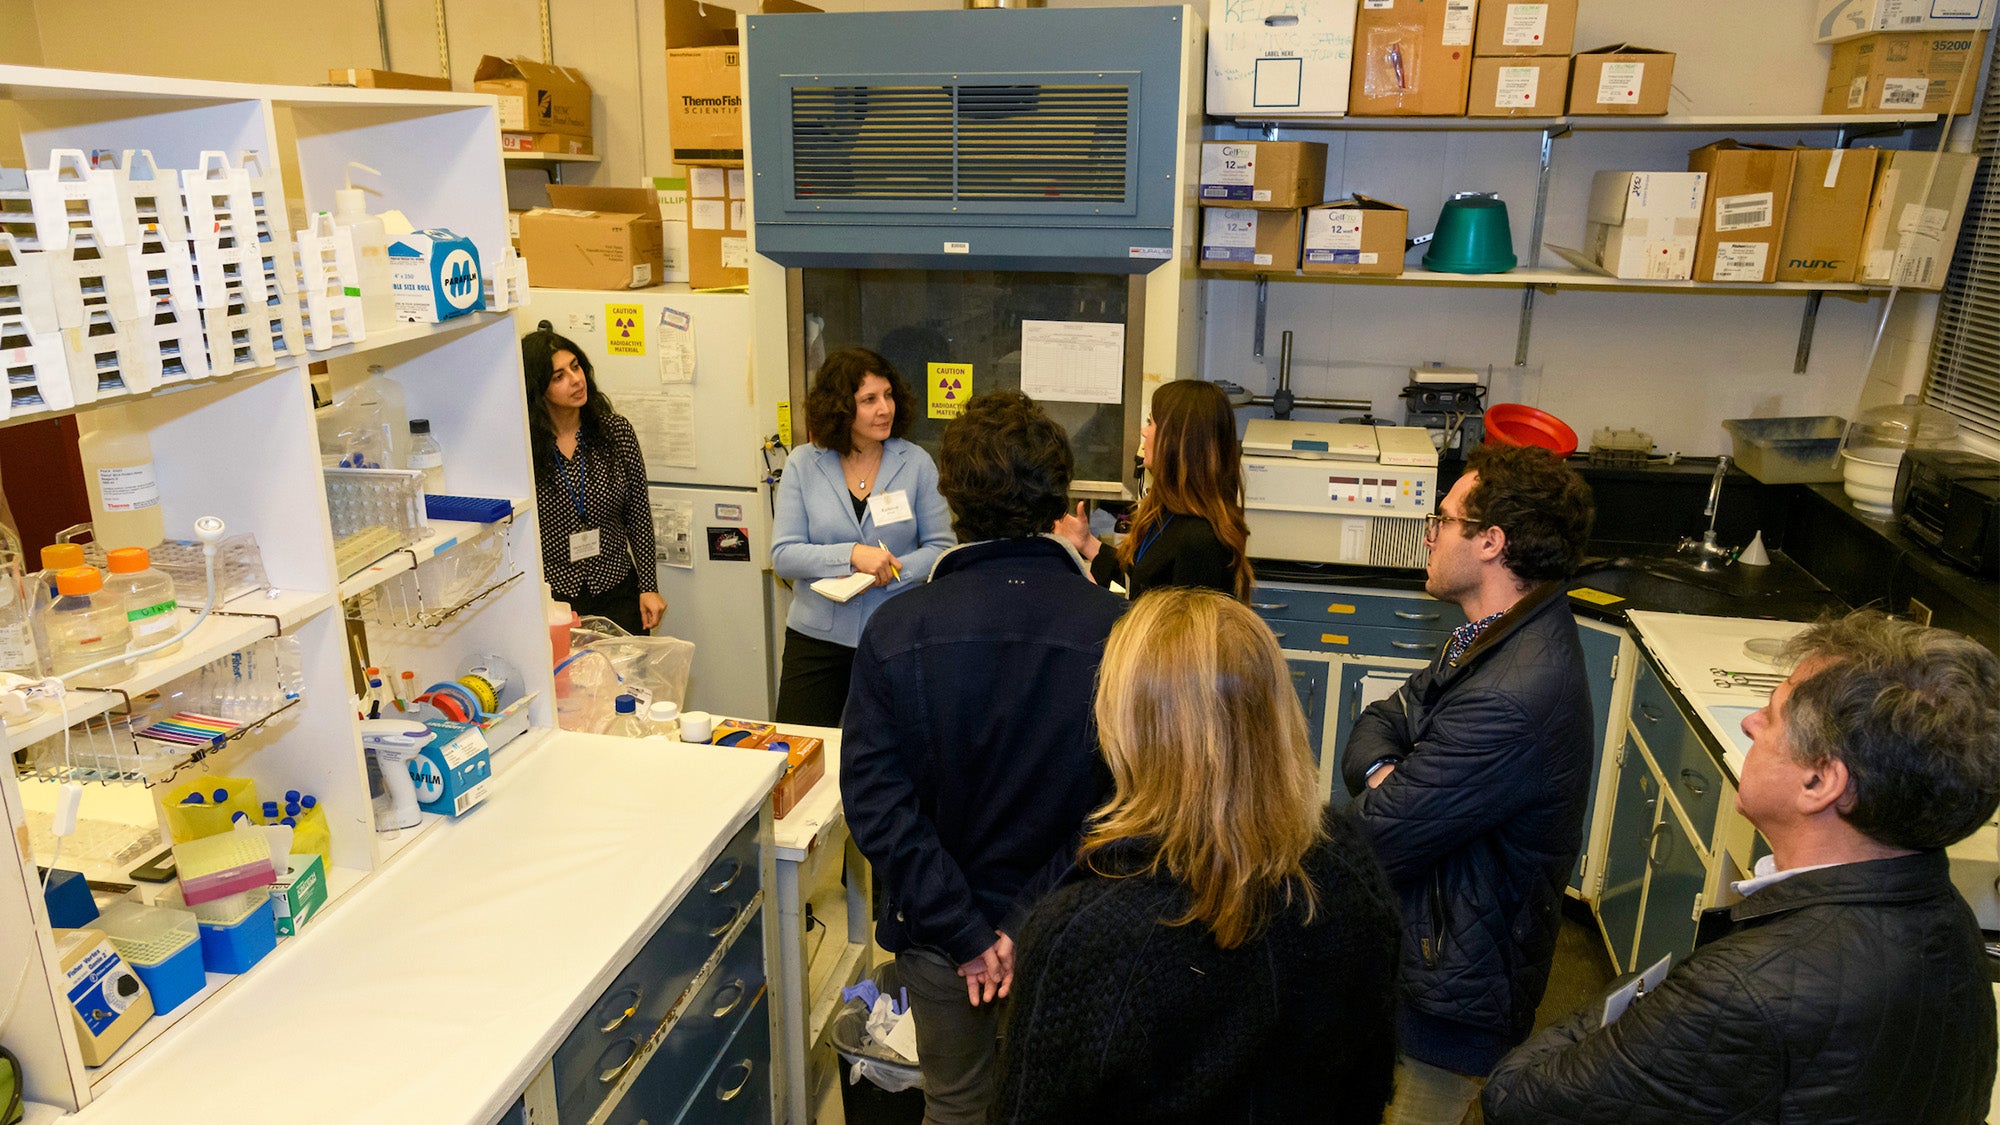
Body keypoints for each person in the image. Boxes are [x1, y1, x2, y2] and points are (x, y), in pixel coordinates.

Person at [1483, 610, 2000, 1124]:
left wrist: (1651, 998)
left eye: (1772, 716)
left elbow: (1514, 1099)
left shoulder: (1738, 989)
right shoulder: (1948, 916)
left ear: (1820, 783)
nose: (1750, 722)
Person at [994, 587, 1401, 1124]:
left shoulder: (1082, 937)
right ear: (1277, 713)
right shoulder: (1349, 867)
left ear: (1127, 724)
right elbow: (1369, 1087)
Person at [841, 390, 1127, 1125]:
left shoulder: (898, 627)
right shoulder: (1120, 630)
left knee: (958, 1107)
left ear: (952, 494)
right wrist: (1022, 922)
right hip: (1076, 933)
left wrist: (970, 935)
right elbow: (1132, 801)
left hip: (942, 942)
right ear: (1060, 498)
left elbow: (876, 801)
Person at [1339, 442, 1597, 1125]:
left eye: (1443, 519)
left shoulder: (1512, 691)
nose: (1430, 534)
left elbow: (1375, 836)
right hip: (1434, 958)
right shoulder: (1493, 638)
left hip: (1450, 1008)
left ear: (1491, 541)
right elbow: (1381, 717)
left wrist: (1395, 786)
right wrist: (1389, 771)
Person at [770, 347, 953, 726]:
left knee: (893, 756)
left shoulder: (915, 462)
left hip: (896, 635)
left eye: (888, 396)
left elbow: (942, 549)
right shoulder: (803, 463)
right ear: (840, 408)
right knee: (801, 750)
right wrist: (852, 554)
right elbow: (785, 555)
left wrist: (892, 567)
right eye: (868, 400)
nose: (884, 409)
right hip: (816, 638)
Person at [522, 322, 664, 637]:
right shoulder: (524, 447)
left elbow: (638, 514)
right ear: (537, 389)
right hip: (555, 598)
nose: (575, 380)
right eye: (559, 376)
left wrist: (648, 587)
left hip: (616, 588)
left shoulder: (615, 432)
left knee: (627, 683)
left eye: (576, 367)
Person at [1056, 379, 1253, 601]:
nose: (1144, 431)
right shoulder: (1170, 513)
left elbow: (1182, 631)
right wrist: (1086, 543)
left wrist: (1105, 607)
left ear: (1177, 441)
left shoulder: (1200, 540)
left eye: (1151, 422)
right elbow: (1144, 577)